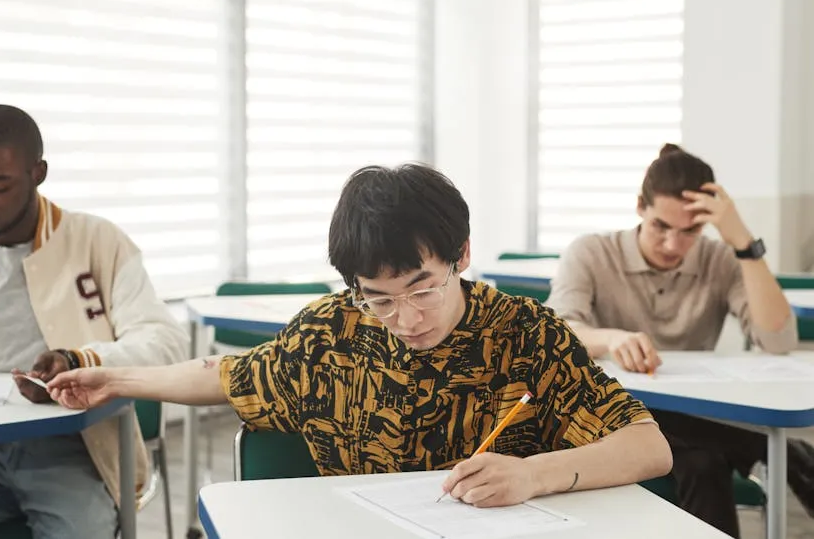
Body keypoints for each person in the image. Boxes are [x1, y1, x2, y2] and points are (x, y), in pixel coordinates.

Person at [48, 163, 672, 507]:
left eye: (423, 288)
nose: (406, 318)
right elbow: (225, 376)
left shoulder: (522, 334)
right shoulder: (330, 336)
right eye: (379, 298)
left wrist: (534, 474)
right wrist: (114, 377)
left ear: (461, 256)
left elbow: (649, 448)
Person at [0, 104, 189, 538]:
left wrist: (78, 360)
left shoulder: (97, 241)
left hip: (65, 447)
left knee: (80, 531)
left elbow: (165, 340)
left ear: (37, 173)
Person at [545, 143, 814, 537]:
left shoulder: (719, 259)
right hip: (599, 417)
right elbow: (554, 336)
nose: (674, 245)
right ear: (640, 207)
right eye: (661, 227)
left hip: (684, 426)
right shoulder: (591, 252)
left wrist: (744, 244)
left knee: (704, 464)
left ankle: (774, 453)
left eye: (690, 231)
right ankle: (775, 453)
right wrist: (611, 339)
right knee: (697, 452)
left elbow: (777, 338)